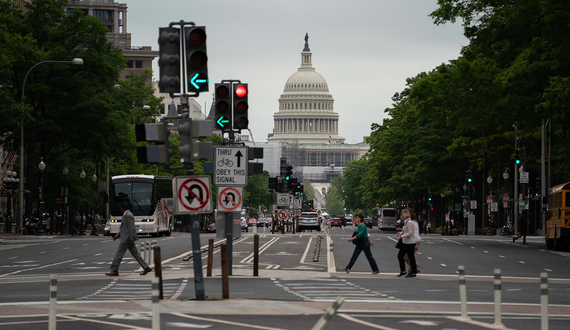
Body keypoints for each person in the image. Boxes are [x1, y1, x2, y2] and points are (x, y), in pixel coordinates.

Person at [106, 202, 152, 276]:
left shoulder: (128, 215)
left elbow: (131, 228)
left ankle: (115, 270)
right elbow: (124, 228)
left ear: (123, 208)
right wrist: (117, 236)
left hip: (126, 239)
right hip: (127, 238)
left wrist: (131, 239)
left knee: (118, 254)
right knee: (135, 254)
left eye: (121, 208)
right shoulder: (126, 215)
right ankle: (146, 268)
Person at [396, 208, 417, 277]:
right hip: (405, 242)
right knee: (400, 256)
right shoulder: (406, 222)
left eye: (402, 214)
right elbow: (406, 231)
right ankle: (403, 271)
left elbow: (410, 233)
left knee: (411, 257)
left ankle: (413, 271)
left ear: (405, 215)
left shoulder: (410, 222)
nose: (401, 216)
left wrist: (402, 236)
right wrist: (401, 233)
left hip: (410, 243)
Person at [404, 208, 421, 275]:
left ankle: (412, 270)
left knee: (408, 256)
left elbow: (416, 234)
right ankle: (414, 267)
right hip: (410, 241)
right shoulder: (408, 222)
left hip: (414, 241)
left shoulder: (413, 222)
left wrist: (416, 243)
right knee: (407, 257)